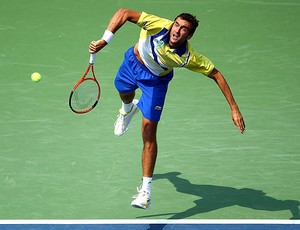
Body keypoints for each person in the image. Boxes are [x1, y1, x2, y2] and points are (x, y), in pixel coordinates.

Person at [89, 8, 245, 209]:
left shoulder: (188, 57)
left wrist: (234, 109)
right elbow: (124, 12)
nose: (177, 30)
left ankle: (145, 192)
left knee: (148, 131)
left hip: (155, 82)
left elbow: (217, 75)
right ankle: (127, 109)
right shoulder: (158, 25)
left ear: (189, 35)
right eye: (176, 25)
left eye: (184, 29)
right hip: (132, 63)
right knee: (123, 92)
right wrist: (105, 40)